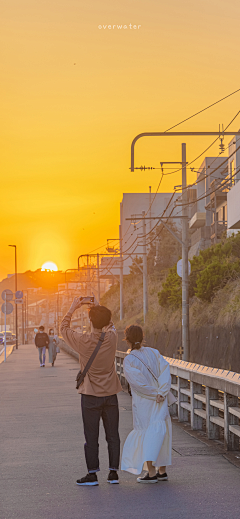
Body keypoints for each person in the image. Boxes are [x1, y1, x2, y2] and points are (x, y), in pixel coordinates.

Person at [60, 299, 122, 487]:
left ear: (90, 321)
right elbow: (110, 324)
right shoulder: (112, 338)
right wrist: (99, 304)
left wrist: (72, 307)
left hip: (90, 396)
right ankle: (113, 473)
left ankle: (92, 474)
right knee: (113, 435)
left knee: (91, 436)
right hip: (110, 394)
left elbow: (63, 328)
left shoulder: (82, 340)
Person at [121, 325, 172, 483]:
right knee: (161, 432)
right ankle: (162, 471)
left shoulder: (129, 360)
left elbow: (138, 384)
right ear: (143, 337)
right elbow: (165, 371)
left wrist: (153, 394)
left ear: (127, 340)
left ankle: (150, 472)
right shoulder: (154, 352)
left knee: (146, 432)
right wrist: (162, 392)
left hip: (145, 401)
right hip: (160, 400)